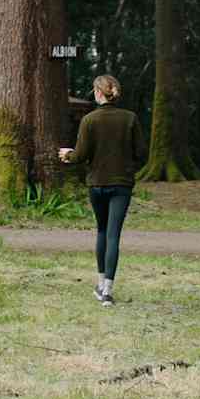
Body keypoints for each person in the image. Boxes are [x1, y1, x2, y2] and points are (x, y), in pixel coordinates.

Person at [58, 74, 146, 306]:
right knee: (113, 235)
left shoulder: (89, 120)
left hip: (96, 184)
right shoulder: (130, 118)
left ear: (98, 93)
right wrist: (127, 166)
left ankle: (99, 284)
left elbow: (80, 156)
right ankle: (107, 290)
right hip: (122, 185)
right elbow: (141, 153)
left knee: (101, 231)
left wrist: (67, 155)